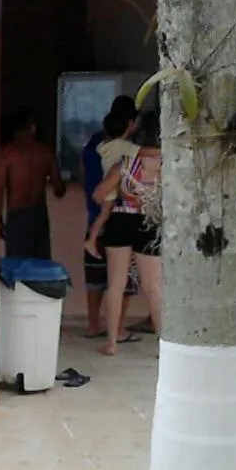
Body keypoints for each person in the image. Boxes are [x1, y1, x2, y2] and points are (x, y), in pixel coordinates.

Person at [88, 110, 163, 355]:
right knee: (153, 286)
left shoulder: (126, 163)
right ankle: (164, 346)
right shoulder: (168, 165)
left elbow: (99, 195)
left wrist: (124, 194)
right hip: (149, 223)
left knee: (116, 284)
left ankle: (111, 343)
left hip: (120, 220)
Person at [80, 97, 136, 338]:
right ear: (130, 122)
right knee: (121, 280)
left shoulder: (94, 145)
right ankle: (119, 328)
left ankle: (94, 324)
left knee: (95, 275)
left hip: (95, 214)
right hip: (122, 217)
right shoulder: (130, 150)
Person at [0, 108, 65, 260]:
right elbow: (59, 189)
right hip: (39, 214)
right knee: (40, 265)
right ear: (32, 128)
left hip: (16, 215)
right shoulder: (46, 153)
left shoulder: (6, 154)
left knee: (16, 265)